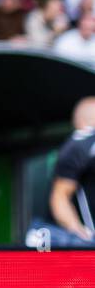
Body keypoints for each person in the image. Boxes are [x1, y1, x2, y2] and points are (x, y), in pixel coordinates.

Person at [48, 96, 95, 243]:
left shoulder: (77, 145)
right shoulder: (80, 145)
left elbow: (59, 196)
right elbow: (60, 197)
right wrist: (81, 236)